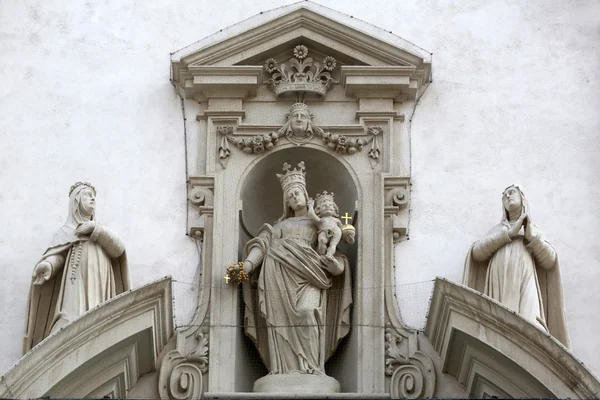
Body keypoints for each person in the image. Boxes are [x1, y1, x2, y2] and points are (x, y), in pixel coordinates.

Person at [241, 161, 353, 376]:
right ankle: (283, 370)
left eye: (297, 192)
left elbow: (335, 253)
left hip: (310, 275)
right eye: (289, 195)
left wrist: (336, 267)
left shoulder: (319, 223)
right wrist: (246, 266)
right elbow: (262, 244)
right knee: (278, 322)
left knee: (307, 312)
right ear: (286, 202)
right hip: (278, 275)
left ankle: (313, 368)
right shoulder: (279, 227)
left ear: (305, 194)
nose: (293, 197)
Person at [24, 182, 130, 353]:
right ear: (76, 201)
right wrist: (48, 265)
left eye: (93, 196)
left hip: (98, 280)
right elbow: (58, 255)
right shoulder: (65, 232)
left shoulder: (99, 231)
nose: (93, 199)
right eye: (87, 195)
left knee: (97, 308)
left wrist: (95, 230)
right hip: (75, 283)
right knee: (71, 312)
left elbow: (118, 249)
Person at [462, 185, 570, 348]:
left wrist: (531, 237)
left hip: (525, 278)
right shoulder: (498, 230)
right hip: (500, 281)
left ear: (522, 198)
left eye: (511, 192)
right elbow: (477, 253)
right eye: (504, 195)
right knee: (499, 321)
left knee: (529, 323)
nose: (507, 196)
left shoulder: (533, 230)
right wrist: (509, 233)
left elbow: (550, 260)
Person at [307, 191, 344, 258]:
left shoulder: (336, 220)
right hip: (324, 230)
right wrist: (310, 206)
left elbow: (343, 229)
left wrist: (348, 234)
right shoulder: (321, 220)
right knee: (322, 240)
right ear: (318, 210)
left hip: (336, 231)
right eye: (324, 206)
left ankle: (329, 254)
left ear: (334, 209)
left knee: (333, 244)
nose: (327, 206)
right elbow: (312, 216)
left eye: (330, 205)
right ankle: (322, 255)